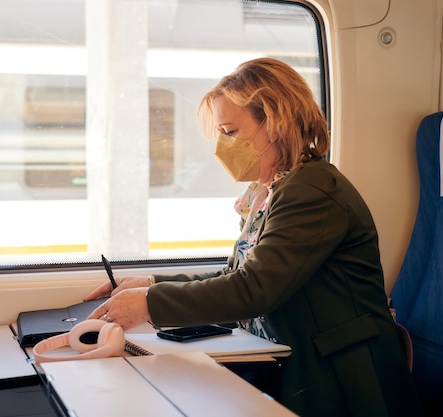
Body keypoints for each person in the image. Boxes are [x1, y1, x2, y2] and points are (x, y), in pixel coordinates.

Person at [85, 57, 423, 417]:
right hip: (297, 360)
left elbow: (253, 290)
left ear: (275, 123)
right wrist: (151, 282)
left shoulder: (313, 190)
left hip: (343, 379)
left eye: (229, 132)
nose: (221, 147)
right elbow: (236, 276)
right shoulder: (269, 191)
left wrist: (149, 303)